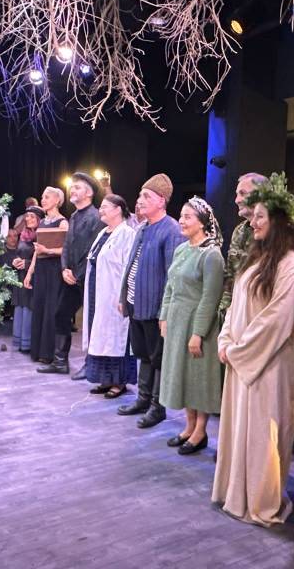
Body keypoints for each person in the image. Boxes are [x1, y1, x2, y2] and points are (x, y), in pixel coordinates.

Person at [213, 172, 294, 527]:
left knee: (260, 435)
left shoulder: (291, 266)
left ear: (278, 222)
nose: (253, 222)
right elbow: (236, 307)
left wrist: (238, 351)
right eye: (252, 215)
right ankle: (234, 491)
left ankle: (259, 499)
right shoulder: (255, 260)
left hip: (266, 366)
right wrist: (226, 340)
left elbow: (276, 320)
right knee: (239, 428)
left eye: (260, 217)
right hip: (242, 360)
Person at [117, 173, 185, 428]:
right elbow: (131, 265)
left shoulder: (171, 230)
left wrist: (164, 313)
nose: (140, 200)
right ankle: (143, 399)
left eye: (146, 196)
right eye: (140, 195)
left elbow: (172, 276)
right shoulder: (143, 227)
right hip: (137, 304)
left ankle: (158, 406)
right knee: (143, 354)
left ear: (162, 200)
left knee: (158, 359)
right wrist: (124, 297)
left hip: (156, 309)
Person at [159, 197, 225, 455]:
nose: (182, 221)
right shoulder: (182, 249)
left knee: (199, 377)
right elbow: (170, 285)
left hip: (198, 323)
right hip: (177, 321)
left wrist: (198, 333)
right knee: (183, 375)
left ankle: (200, 431)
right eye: (181, 216)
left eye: (187, 217)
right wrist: (164, 316)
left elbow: (210, 298)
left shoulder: (211, 255)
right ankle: (188, 426)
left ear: (202, 222)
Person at [43, 172, 104, 376]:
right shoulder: (75, 216)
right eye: (73, 186)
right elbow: (67, 246)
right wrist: (64, 269)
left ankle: (90, 364)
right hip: (70, 276)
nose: (72, 189)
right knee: (61, 314)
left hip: (87, 278)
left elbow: (92, 251)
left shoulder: (96, 217)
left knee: (90, 321)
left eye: (77, 187)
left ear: (89, 193)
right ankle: (60, 361)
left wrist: (77, 274)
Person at [83, 195, 137, 398]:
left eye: (105, 207)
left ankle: (119, 381)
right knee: (100, 337)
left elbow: (129, 268)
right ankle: (105, 379)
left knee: (116, 338)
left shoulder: (127, 234)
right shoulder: (102, 233)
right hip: (97, 293)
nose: (101, 210)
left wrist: (124, 296)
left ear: (118, 209)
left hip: (114, 295)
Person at [25, 187, 68, 364]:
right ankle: (37, 350)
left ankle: (48, 353)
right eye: (42, 197)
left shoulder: (63, 223)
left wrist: (48, 250)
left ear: (57, 200)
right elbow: (37, 251)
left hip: (54, 270)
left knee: (51, 310)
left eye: (47, 197)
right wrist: (29, 273)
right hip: (41, 269)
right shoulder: (42, 223)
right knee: (39, 307)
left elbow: (67, 250)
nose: (43, 200)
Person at [218, 173, 268, 320]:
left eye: (242, 193)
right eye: (237, 194)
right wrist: (224, 312)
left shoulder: (275, 234)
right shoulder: (239, 231)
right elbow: (230, 277)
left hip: (258, 316)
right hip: (233, 316)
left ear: (260, 195)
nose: (237, 200)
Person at [11, 206, 44, 354]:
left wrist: (27, 264)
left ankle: (29, 343)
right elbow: (19, 253)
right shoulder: (24, 235)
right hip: (21, 276)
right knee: (21, 306)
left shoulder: (42, 235)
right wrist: (16, 261)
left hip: (35, 278)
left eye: (32, 216)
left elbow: (44, 259)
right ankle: (20, 341)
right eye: (27, 216)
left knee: (29, 307)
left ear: (39, 219)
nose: (28, 219)